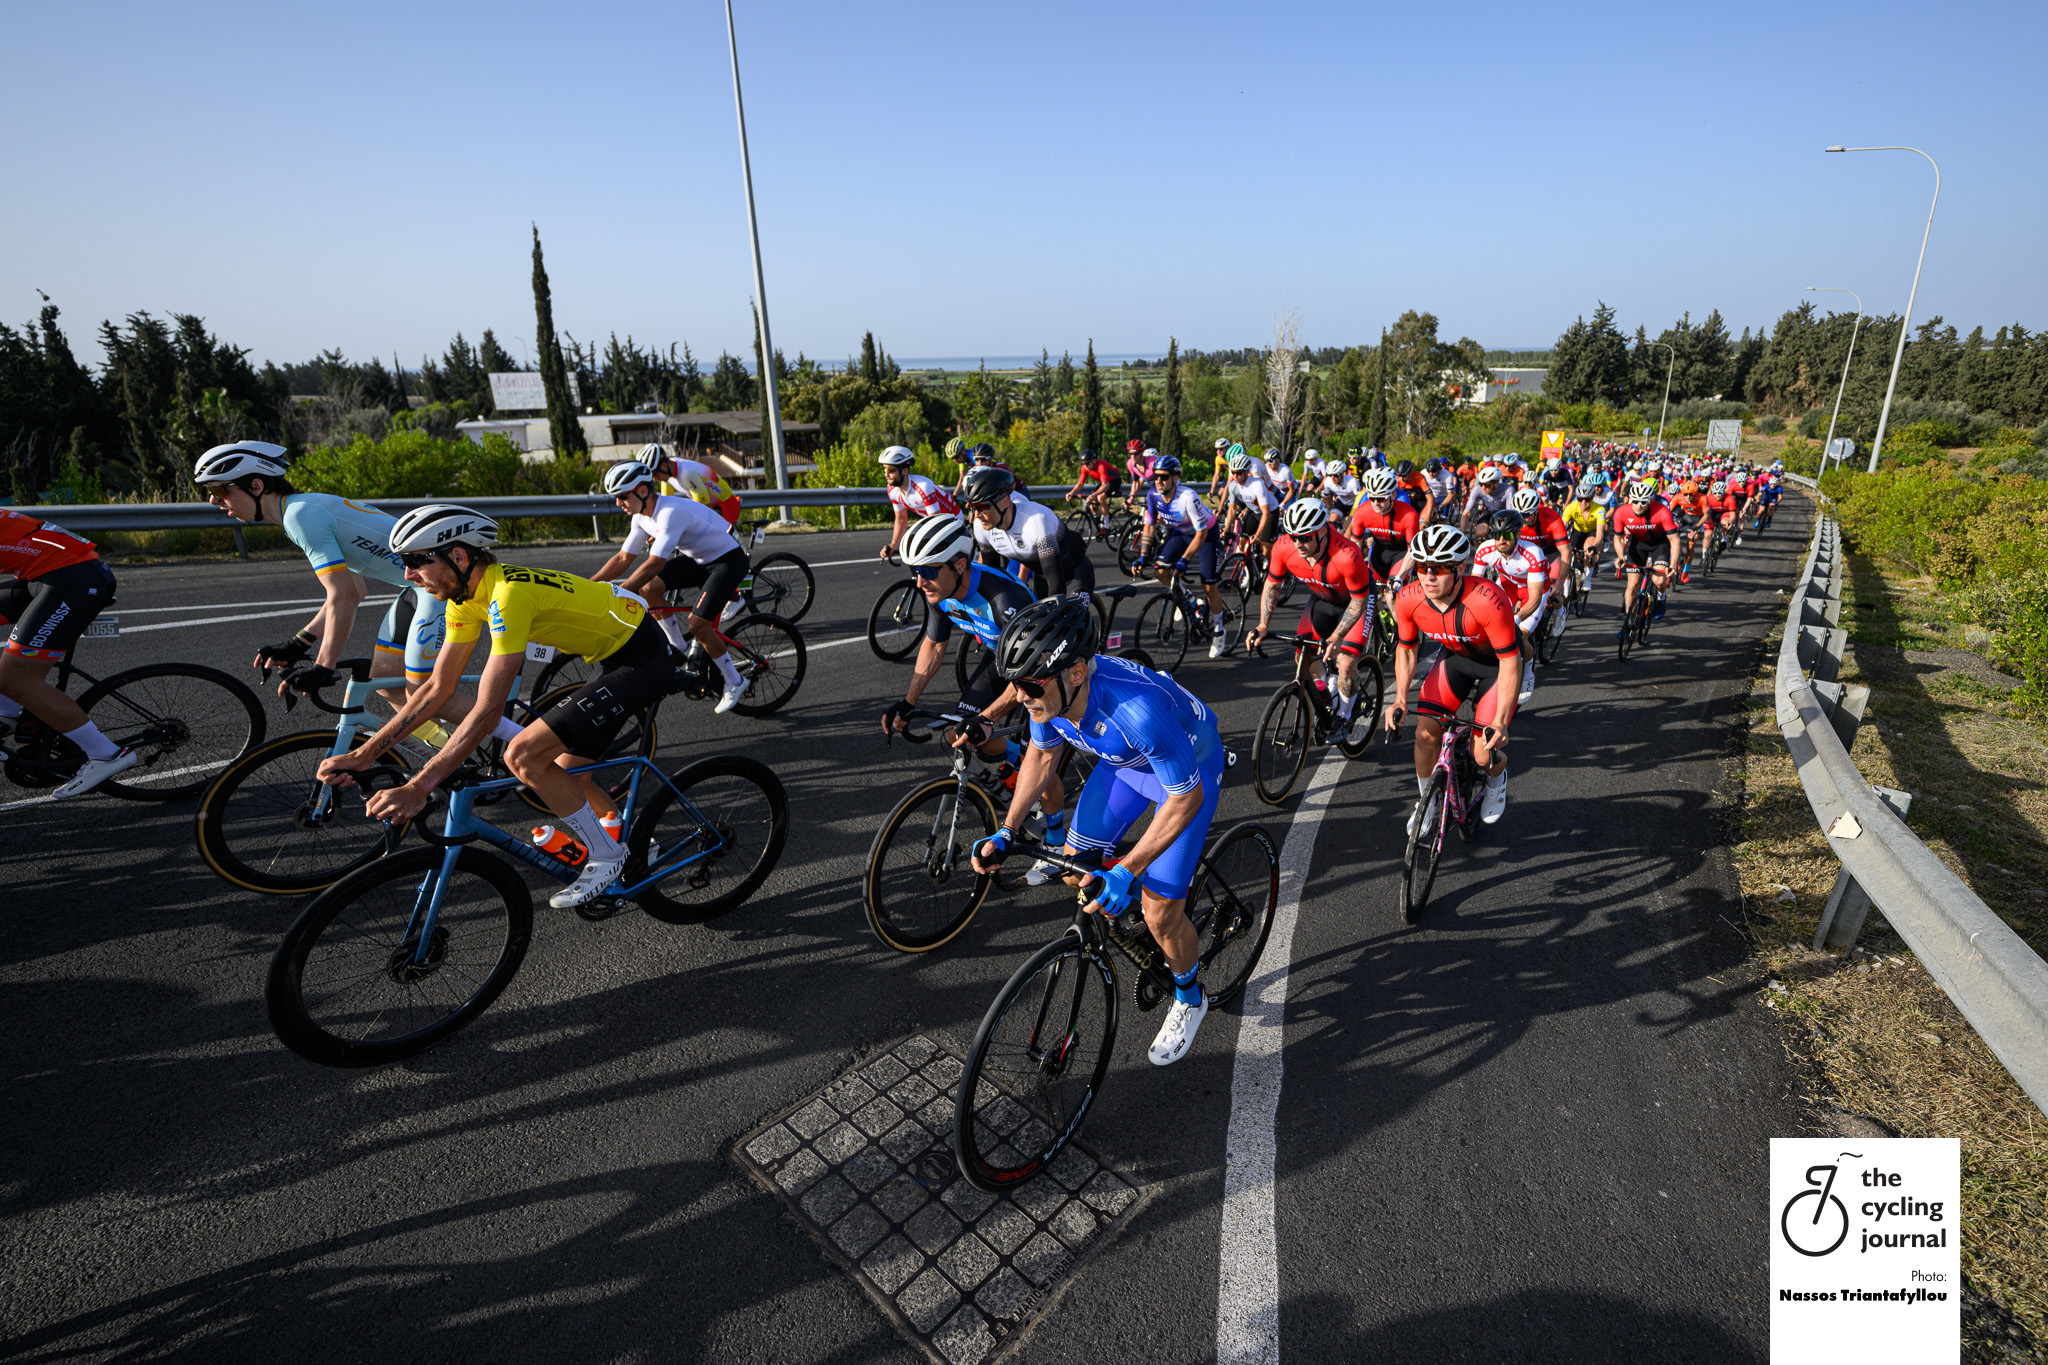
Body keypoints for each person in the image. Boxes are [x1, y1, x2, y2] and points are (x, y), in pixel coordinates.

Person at [317, 505, 676, 909]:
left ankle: (608, 857)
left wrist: (419, 787)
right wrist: (366, 754)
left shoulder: (506, 596)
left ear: (458, 556)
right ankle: (641, 847)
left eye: (416, 562)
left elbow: (489, 711)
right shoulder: (465, 599)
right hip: (616, 655)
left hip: (644, 660)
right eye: (404, 564)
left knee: (523, 755)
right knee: (566, 772)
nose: (407, 575)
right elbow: (436, 689)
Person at [971, 595, 1226, 1066]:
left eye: (1029, 685)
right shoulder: (1048, 694)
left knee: (1160, 910)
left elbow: (1183, 799)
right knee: (1074, 868)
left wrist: (1130, 868)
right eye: (1015, 684)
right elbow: (1043, 756)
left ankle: (1190, 996)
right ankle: (1140, 920)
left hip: (1188, 775)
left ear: (1075, 674)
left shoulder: (1136, 710)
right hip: (1124, 765)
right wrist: (1007, 831)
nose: (1021, 697)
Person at [193, 442, 500, 743]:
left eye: (220, 490)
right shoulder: (301, 510)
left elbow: (345, 596)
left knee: (430, 696)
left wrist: (323, 666)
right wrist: (298, 642)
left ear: (256, 486)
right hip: (417, 588)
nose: (213, 501)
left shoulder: (300, 516)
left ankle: (525, 742)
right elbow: (355, 589)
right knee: (387, 682)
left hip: (444, 589)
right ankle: (448, 754)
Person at [881, 514, 1069, 885]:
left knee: (1040, 760)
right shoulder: (940, 589)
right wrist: (908, 701)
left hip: (1041, 669)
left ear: (960, 564)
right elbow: (935, 644)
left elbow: (1030, 678)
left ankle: (1057, 840)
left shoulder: (1004, 599)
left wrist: (988, 716)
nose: (919, 581)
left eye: (928, 571)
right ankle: (1012, 770)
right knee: (959, 733)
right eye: (915, 571)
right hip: (1000, 658)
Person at [1382, 523, 1521, 828]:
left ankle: (1496, 781)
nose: (1429, 575)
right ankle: (1427, 802)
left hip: (1495, 667)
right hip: (1456, 659)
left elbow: (1511, 661)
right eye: (1422, 566)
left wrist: (1499, 721)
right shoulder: (1408, 598)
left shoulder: (1487, 598)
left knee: (1484, 755)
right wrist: (1400, 699)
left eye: (1440, 567)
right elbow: (1406, 650)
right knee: (1423, 735)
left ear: (1460, 567)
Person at [591, 459, 752, 714]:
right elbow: (623, 559)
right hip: (700, 559)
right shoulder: (641, 517)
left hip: (728, 560)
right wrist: (591, 585)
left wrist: (621, 592)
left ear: (642, 491)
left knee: (698, 624)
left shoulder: (669, 513)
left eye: (622, 497)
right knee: (649, 589)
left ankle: (735, 680)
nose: (618, 504)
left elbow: (654, 564)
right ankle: (679, 648)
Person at [0, 508, 132, 797]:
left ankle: (106, 754)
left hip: (72, 581)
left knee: (18, 681)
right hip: (56, 574)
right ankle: (5, 713)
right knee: (11, 677)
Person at [1246, 498, 1376, 730]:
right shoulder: (1284, 547)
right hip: (1323, 599)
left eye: (1305, 537)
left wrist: (1336, 638)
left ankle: (1344, 717)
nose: (1298, 543)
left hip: (1356, 602)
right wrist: (1263, 625)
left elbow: (1358, 602)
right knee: (1302, 658)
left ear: (1323, 532)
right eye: (1294, 536)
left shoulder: (1348, 556)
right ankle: (1326, 691)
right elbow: (1273, 584)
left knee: (1345, 663)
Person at [1132, 455, 1232, 659]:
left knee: (1209, 586)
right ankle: (1187, 597)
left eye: (1163, 477)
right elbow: (1149, 526)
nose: (1158, 481)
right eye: (1155, 477)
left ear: (1175, 477)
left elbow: (1201, 533)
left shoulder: (1188, 497)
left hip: (1205, 535)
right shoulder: (1153, 495)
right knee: (1160, 570)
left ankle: (1219, 630)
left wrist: (1184, 560)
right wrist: (1142, 557)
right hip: (1180, 533)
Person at [959, 465, 1095, 597]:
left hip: (1075, 572)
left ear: (1005, 502)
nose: (976, 515)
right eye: (972, 508)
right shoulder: (981, 525)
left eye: (982, 507)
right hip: (1042, 576)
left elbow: (1056, 580)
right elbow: (992, 574)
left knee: (1070, 616)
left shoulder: (1036, 520)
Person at [1473, 511, 1549, 704]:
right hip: (1508, 585)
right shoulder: (1485, 550)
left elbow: (1535, 597)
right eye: (1495, 535)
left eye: (1506, 535)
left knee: (1519, 634)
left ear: (1517, 534)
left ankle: (1528, 669)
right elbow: (1474, 588)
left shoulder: (1532, 553)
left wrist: (1518, 617)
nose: (1500, 540)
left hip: (1532, 591)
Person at [1612, 480, 1680, 629]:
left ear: (1650, 501)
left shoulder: (1662, 511)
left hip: (1659, 544)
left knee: (1659, 581)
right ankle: (1628, 623)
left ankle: (1661, 598)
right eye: (1635, 501)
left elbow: (1674, 540)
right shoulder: (1621, 512)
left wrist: (1673, 565)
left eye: (1644, 502)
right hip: (1638, 545)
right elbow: (1617, 537)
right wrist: (1621, 556)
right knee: (1632, 585)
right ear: (1630, 500)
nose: (1639, 505)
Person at [877, 445, 960, 559]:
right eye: (884, 469)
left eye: (891, 469)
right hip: (934, 521)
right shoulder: (891, 490)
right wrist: (893, 545)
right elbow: (901, 518)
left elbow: (935, 522)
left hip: (953, 520)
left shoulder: (923, 487)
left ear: (905, 470)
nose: (886, 474)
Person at [641, 442, 744, 529]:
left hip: (726, 506)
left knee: (713, 544)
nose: (654, 479)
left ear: (663, 466)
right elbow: (665, 505)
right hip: (709, 505)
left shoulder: (687, 475)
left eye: (654, 474)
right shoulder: (667, 473)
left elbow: (703, 509)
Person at [1348, 468, 1420, 586]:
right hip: (1379, 553)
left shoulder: (1409, 515)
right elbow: (1356, 544)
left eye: (1381, 499)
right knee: (1370, 593)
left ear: (1393, 495)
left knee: (1391, 593)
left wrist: (1399, 577)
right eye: (1371, 498)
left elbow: (1412, 551)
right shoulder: (1361, 512)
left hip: (1401, 554)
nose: (1376, 503)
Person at [1219, 451, 1281, 560]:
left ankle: (1274, 572)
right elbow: (1232, 509)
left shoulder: (1257, 485)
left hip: (1270, 512)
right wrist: (1226, 528)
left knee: (1265, 549)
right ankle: (1249, 573)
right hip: (1255, 512)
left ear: (1247, 471)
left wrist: (1258, 534)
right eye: (1233, 472)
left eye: (1238, 473)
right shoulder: (1233, 486)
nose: (1235, 476)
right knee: (1242, 544)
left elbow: (1266, 513)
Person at [1064, 447, 1122, 523]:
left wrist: (1094, 495)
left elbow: (1106, 485)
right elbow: (1081, 484)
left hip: (1114, 481)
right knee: (1092, 503)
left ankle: (1106, 525)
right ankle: (1101, 519)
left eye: (1087, 463)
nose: (1085, 466)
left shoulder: (1101, 466)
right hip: (1104, 482)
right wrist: (1071, 493)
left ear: (1094, 460)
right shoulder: (1084, 468)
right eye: (1083, 463)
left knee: (1100, 498)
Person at [1460, 464, 1511, 537]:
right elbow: (1466, 512)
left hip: (1503, 513)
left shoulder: (1508, 490)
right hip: (1488, 512)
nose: (1483, 488)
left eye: (1487, 485)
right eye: (1481, 484)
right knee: (1479, 534)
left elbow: (1510, 512)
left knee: (1502, 534)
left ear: (1496, 484)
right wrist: (1462, 533)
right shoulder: (1478, 489)